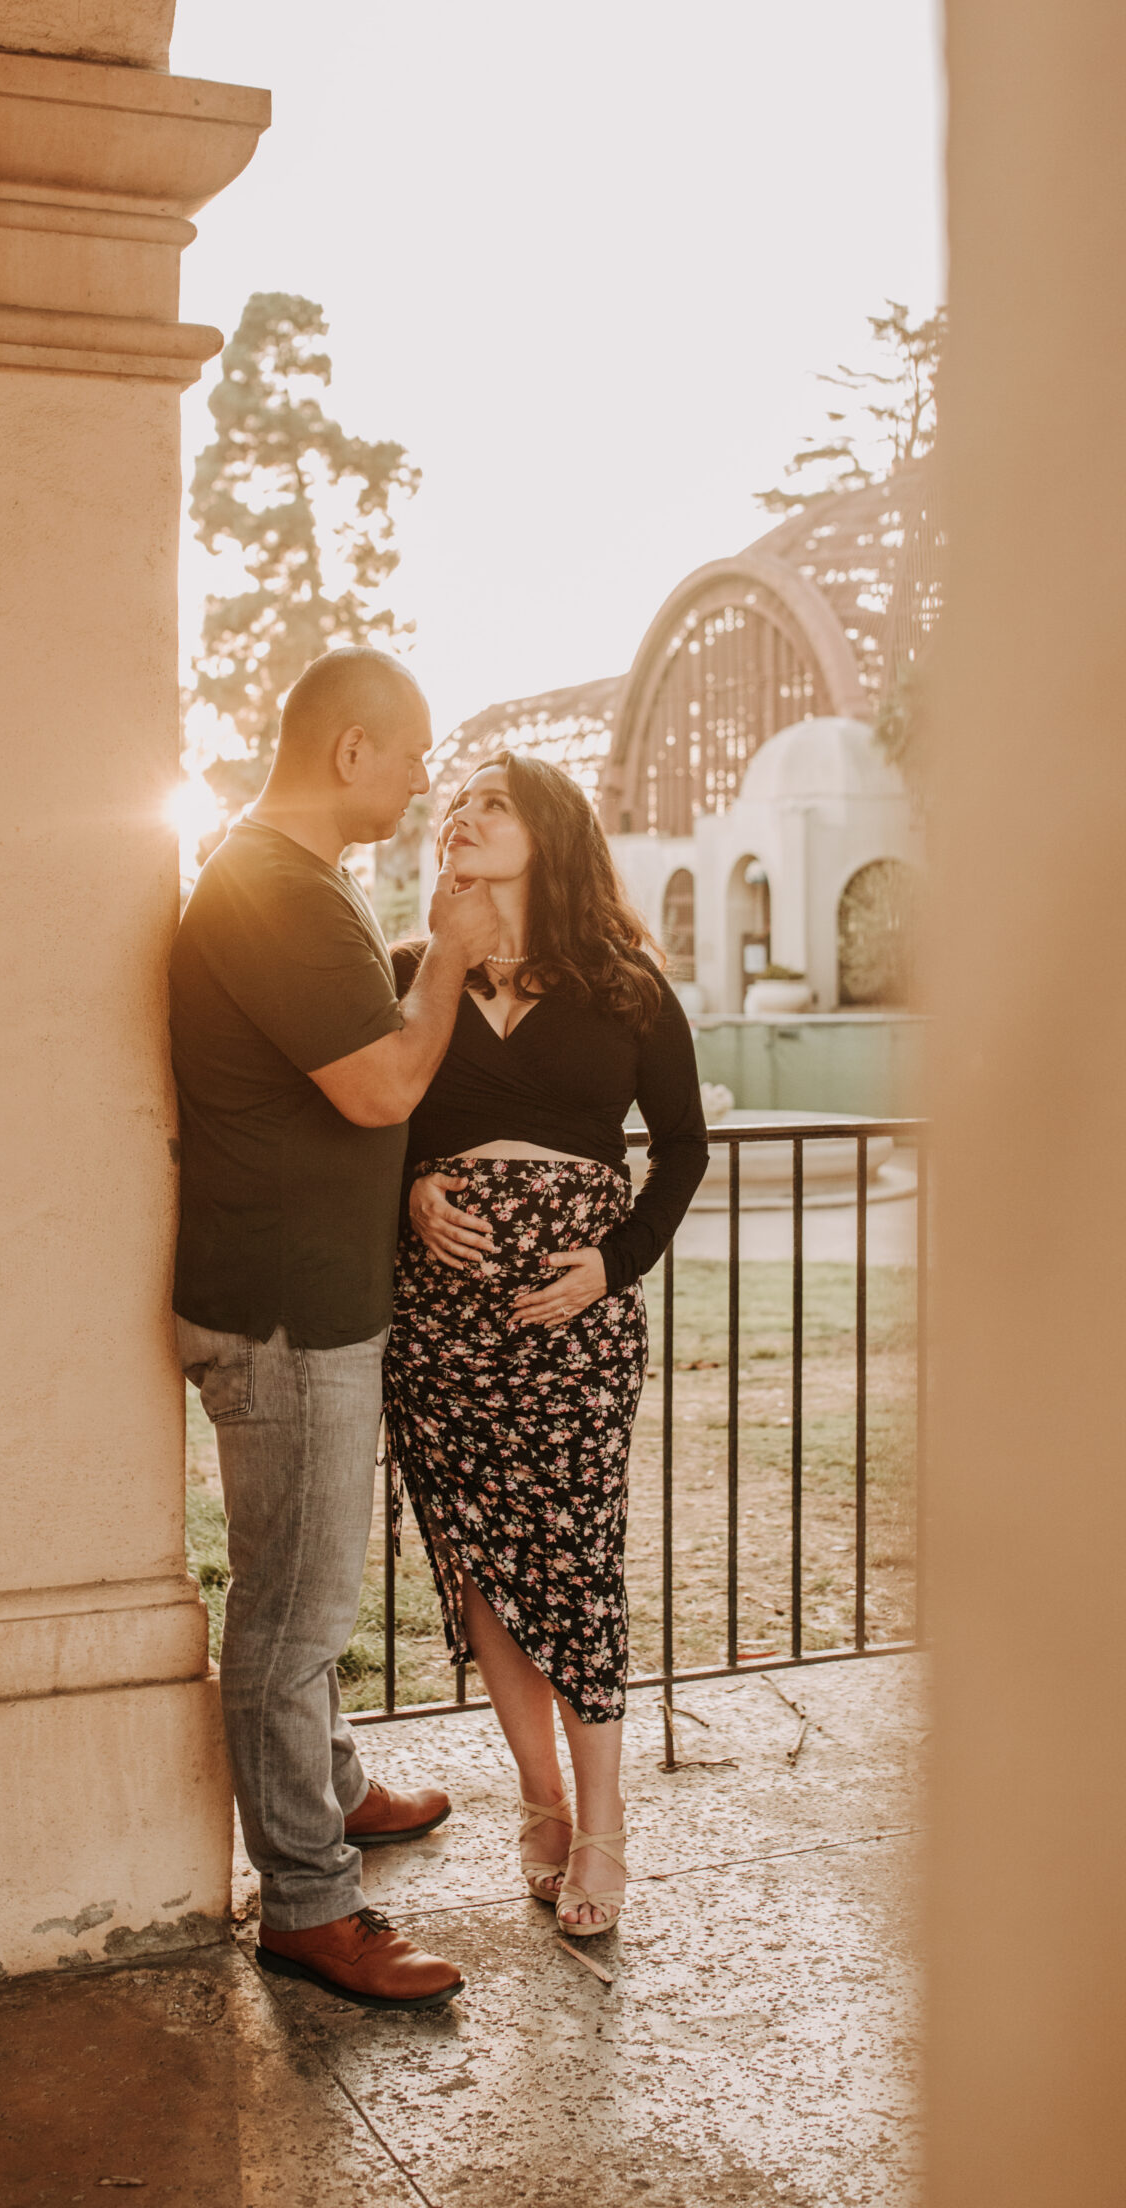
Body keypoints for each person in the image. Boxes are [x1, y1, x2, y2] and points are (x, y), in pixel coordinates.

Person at [168, 647, 501, 2011]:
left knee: (307, 1586)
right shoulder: (273, 889)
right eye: (413, 750)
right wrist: (455, 956)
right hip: (284, 1315)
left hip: (305, 1303)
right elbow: (379, 1087)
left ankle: (338, 1784)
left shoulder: (290, 883)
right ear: (352, 750)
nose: (425, 777)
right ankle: (307, 1904)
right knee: (290, 1614)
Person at [384, 753, 708, 1938]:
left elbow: (682, 1145)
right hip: (442, 1329)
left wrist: (614, 1265)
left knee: (575, 1559)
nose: (459, 817)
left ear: (552, 834)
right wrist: (412, 1190)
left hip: (574, 1328)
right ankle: (540, 1801)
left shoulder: (624, 983)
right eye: (453, 806)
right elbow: (370, 1117)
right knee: (486, 1568)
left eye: (492, 804)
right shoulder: (412, 972)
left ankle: (606, 1822)